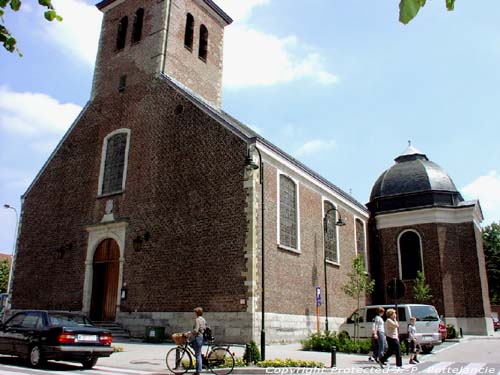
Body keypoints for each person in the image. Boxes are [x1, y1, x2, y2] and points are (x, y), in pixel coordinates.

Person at [188, 307, 207, 375]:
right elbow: (204, 328)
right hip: (202, 338)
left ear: (197, 313)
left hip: (198, 337)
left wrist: (190, 334)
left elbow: (196, 330)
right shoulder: (203, 319)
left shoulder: (197, 320)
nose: (194, 314)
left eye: (195, 312)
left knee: (197, 354)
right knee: (197, 351)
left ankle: (198, 371)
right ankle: (200, 364)